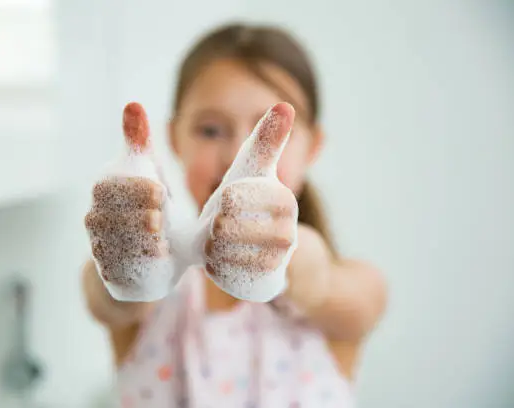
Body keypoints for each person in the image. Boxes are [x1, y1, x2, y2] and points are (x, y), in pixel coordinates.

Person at [82, 23, 387, 408]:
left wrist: (295, 258)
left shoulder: (352, 289)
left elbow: (324, 283)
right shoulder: (153, 296)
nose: (235, 159)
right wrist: (125, 260)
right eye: (210, 130)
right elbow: (103, 297)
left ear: (313, 148)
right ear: (176, 139)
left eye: (270, 133)